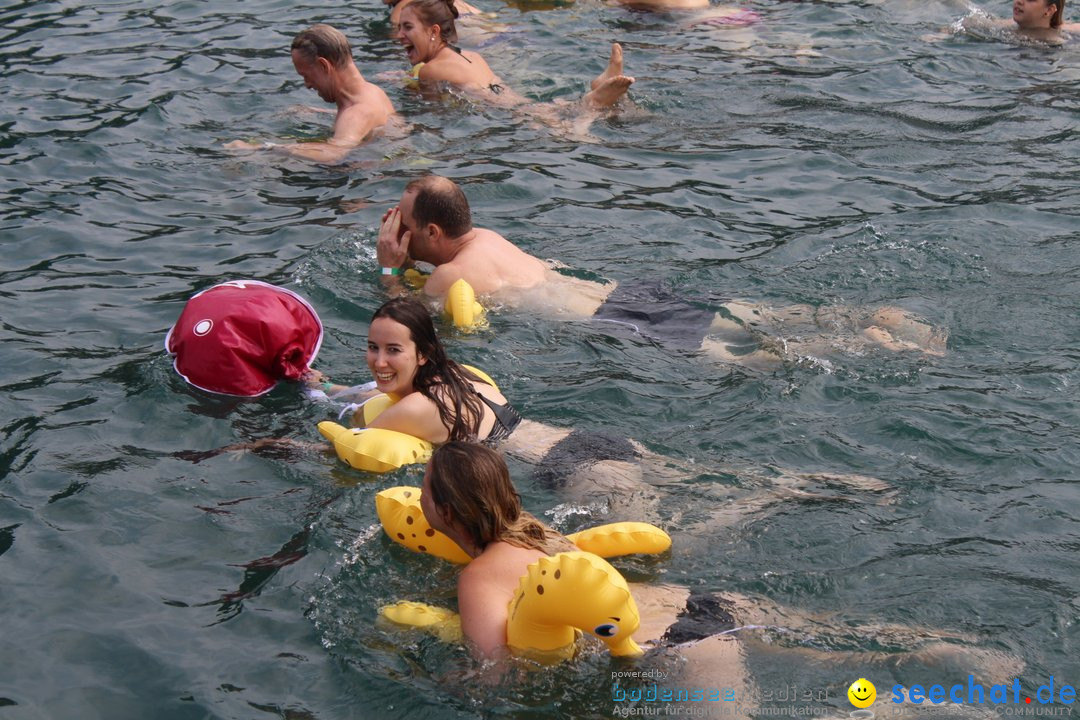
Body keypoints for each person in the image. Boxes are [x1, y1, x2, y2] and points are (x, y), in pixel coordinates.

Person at [411, 441, 1024, 696]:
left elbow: (502, 673)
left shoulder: (476, 577)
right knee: (841, 644)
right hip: (699, 601)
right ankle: (957, 652)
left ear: (446, 506)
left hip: (669, 650)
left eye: (427, 488)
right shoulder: (538, 531)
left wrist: (431, 674)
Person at [374, 175, 948, 369]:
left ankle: (868, 345)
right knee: (754, 315)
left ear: (431, 234)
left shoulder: (449, 279)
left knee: (749, 362)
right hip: (620, 292)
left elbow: (420, 330)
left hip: (613, 324)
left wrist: (389, 272)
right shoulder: (492, 240)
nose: (396, 230)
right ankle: (871, 319)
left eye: (403, 222)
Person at [396, 0, 633, 113]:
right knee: (551, 111)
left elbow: (431, 112)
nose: (400, 35)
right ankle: (597, 93)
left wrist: (405, 86)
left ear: (434, 31)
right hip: (513, 100)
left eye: (407, 28)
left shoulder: (429, 71)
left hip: (510, 114)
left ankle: (594, 100)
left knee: (565, 127)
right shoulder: (471, 55)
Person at [224, 24, 399, 163]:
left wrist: (262, 148)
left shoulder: (357, 113)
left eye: (306, 76)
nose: (307, 85)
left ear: (324, 66)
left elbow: (334, 154)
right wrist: (318, 113)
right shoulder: (373, 91)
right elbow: (363, 124)